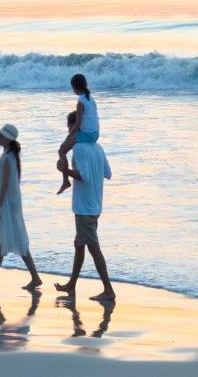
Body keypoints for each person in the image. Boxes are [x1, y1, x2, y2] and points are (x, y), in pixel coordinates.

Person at [55, 111, 116, 301]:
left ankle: (108, 290)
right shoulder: (98, 147)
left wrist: (65, 170)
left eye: (70, 128)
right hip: (95, 204)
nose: (69, 133)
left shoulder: (80, 148)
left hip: (84, 207)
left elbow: (85, 176)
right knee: (79, 244)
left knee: (92, 247)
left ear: (75, 128)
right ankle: (72, 285)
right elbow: (108, 174)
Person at [0, 123, 43, 291]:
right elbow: (1, 137)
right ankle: (34, 277)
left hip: (7, 205)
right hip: (9, 203)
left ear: (7, 139)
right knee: (2, 239)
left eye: (1, 136)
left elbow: (4, 185)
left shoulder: (8, 158)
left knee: (4, 240)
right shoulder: (8, 152)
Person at [57, 73, 99, 195]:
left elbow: (78, 124)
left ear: (75, 87)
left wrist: (68, 137)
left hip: (87, 135)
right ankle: (65, 182)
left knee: (61, 150)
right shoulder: (90, 98)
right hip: (95, 134)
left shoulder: (80, 101)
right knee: (64, 148)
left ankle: (65, 181)